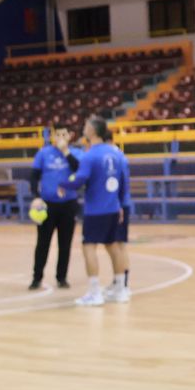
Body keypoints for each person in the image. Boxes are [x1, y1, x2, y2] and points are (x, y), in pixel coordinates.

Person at [68, 116, 131, 306]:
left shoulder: (90, 155)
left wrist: (63, 185)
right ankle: (121, 289)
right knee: (114, 246)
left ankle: (94, 293)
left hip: (96, 209)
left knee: (89, 247)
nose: (83, 127)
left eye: (86, 125)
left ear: (93, 131)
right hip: (115, 206)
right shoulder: (116, 153)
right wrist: (120, 204)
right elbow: (123, 181)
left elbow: (80, 180)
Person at [26, 123, 80, 291]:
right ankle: (37, 278)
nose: (60, 138)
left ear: (70, 136)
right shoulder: (43, 153)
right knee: (43, 243)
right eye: (57, 134)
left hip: (68, 204)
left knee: (65, 243)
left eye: (64, 135)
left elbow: (79, 170)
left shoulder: (76, 153)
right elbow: (34, 177)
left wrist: (66, 152)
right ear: (52, 136)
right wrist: (36, 197)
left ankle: (61, 277)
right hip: (47, 205)